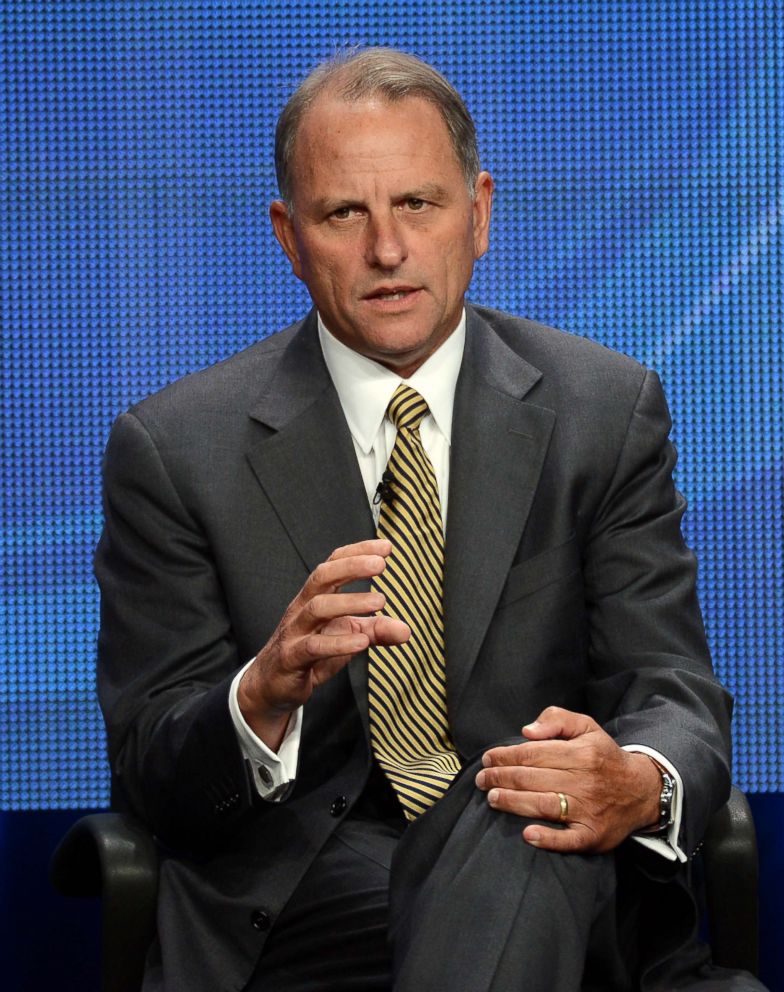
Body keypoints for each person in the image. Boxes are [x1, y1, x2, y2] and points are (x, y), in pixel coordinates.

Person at [95, 47, 764, 991]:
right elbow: (153, 775)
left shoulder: (603, 412)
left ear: (479, 213)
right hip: (309, 905)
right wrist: (262, 694)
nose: (388, 251)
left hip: (567, 880)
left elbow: (672, 687)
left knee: (518, 815)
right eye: (343, 214)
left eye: (418, 204)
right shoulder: (174, 450)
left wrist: (641, 779)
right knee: (516, 836)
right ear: (289, 236)